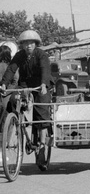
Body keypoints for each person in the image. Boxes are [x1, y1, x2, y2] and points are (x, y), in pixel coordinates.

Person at [0, 30, 52, 169]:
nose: (28, 46)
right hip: (25, 85)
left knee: (41, 111)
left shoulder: (42, 55)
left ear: (36, 44)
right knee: (12, 100)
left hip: (41, 85)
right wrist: (4, 84)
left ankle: (41, 147)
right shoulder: (19, 55)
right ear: (22, 45)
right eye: (25, 43)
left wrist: (43, 84)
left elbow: (45, 69)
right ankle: (16, 121)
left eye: (31, 43)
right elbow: (11, 69)